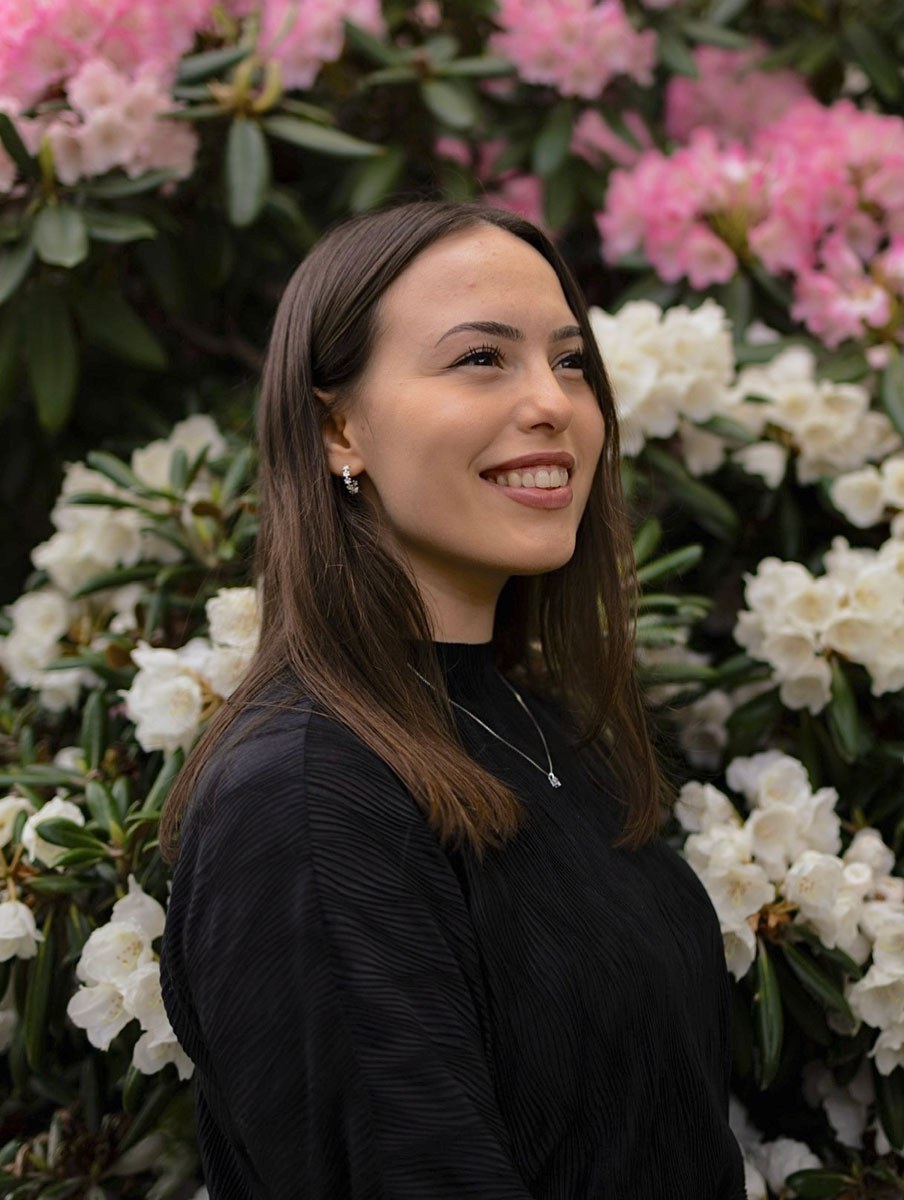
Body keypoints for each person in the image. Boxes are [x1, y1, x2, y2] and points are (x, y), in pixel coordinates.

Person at [158, 199, 747, 1198]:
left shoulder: (542, 730)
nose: (553, 402)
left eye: (571, 361)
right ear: (338, 428)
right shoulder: (307, 796)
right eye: (481, 358)